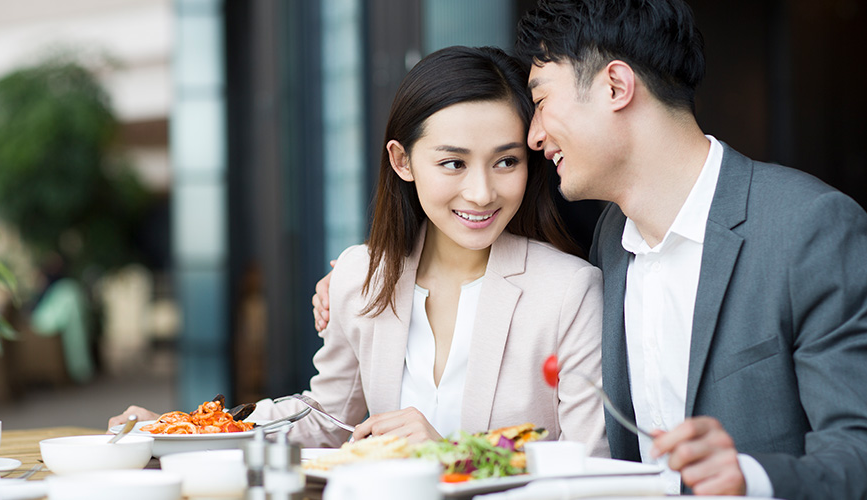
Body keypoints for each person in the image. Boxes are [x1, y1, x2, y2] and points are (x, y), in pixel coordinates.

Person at [314, 1, 867, 497]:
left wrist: (751, 478)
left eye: (541, 99)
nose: (533, 137)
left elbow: (857, 448)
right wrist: (347, 281)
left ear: (615, 87)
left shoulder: (808, 227)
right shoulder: (611, 243)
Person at [111, 46, 609, 456]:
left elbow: (590, 457)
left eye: (506, 161)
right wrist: (182, 430)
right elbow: (322, 419)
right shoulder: (360, 276)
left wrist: (452, 453)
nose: (481, 192)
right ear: (403, 161)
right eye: (453, 163)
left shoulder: (568, 291)